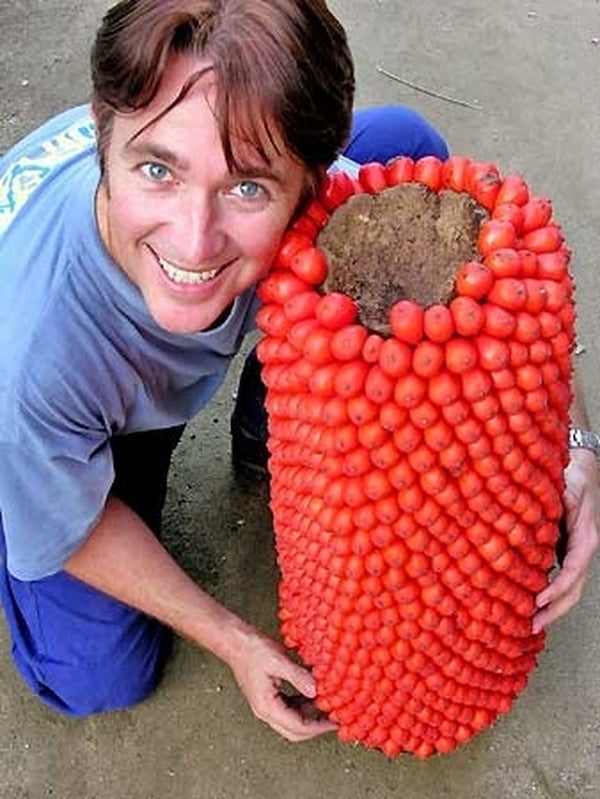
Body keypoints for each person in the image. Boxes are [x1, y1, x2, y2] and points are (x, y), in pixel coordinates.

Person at [0, 0, 596, 742]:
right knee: (97, 675)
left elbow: (504, 297)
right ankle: (28, 489)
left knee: (405, 152)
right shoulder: (30, 355)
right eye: (158, 168)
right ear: (102, 132)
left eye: (248, 185)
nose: (195, 237)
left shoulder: (301, 209)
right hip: (73, 404)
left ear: (311, 182)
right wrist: (237, 640)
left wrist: (574, 447)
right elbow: (74, 524)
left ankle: (269, 415)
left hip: (147, 341)